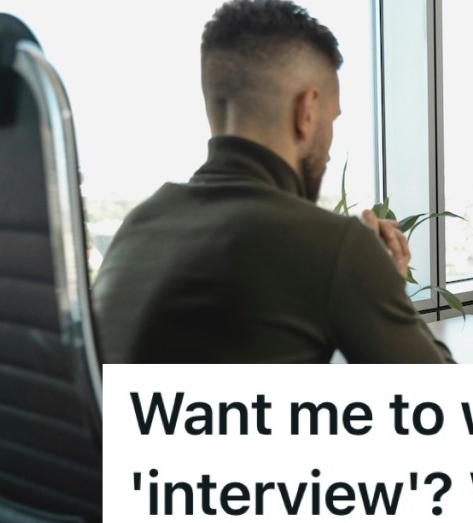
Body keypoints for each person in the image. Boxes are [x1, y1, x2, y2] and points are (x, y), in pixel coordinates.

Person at [93, 0, 452, 364]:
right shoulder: (336, 246)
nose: (329, 150)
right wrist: (386, 282)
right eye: (333, 118)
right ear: (307, 110)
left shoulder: (137, 227)